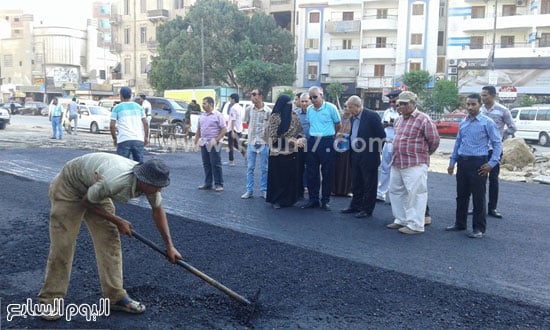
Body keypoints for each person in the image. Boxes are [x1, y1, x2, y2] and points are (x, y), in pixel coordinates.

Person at [37, 153, 182, 320]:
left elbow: (157, 212)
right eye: (157, 186)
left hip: (95, 189)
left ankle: (115, 296)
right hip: (70, 186)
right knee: (63, 245)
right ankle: (50, 299)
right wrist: (118, 220)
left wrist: (169, 246)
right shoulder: (115, 181)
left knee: (110, 240)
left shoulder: (151, 183)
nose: (160, 190)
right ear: (144, 181)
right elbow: (86, 203)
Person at [446, 93, 503, 238]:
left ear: (479, 105)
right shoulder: (463, 122)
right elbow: (458, 143)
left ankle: (478, 228)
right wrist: (452, 162)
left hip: (479, 163)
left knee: (478, 197)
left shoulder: (487, 122)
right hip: (463, 162)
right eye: (468, 104)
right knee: (461, 195)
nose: (470, 107)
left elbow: (497, 144)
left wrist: (492, 163)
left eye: (473, 104)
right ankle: (460, 223)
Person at [386, 91, 440, 234]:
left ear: (413, 104)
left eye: (404, 104)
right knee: (396, 191)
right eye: (399, 104)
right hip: (397, 161)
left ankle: (416, 225)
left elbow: (434, 141)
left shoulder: (423, 119)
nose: (401, 107)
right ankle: (401, 220)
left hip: (415, 163)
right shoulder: (399, 120)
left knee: (416, 194)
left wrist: (422, 155)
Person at [340, 96, 385, 218]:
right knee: (356, 181)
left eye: (350, 107)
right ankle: (355, 205)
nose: (348, 110)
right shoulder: (353, 118)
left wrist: (373, 151)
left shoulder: (371, 116)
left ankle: (367, 209)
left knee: (369, 183)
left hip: (368, 155)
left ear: (357, 106)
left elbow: (382, 136)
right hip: (355, 154)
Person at [478, 85, 516, 219]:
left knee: (493, 179)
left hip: (494, 150)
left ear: (493, 96)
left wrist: (500, 136)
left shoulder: (503, 110)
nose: (482, 98)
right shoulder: (479, 110)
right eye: (481, 95)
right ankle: (478, 206)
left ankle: (492, 208)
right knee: (479, 179)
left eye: (485, 95)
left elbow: (512, 127)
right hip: (480, 150)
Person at [301, 86, 341, 211]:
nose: (313, 100)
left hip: (327, 140)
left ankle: (325, 200)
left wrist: (331, 136)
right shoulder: (309, 110)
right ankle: (313, 199)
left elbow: (338, 124)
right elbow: (310, 124)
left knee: (327, 172)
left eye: (315, 97)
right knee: (312, 172)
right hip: (312, 141)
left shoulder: (331, 108)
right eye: (311, 97)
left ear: (321, 95)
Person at [265, 94, 305, 208]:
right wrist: (291, 142)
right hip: (277, 153)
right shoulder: (275, 117)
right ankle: (276, 200)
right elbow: (273, 138)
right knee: (278, 177)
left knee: (290, 176)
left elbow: (300, 131)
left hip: (292, 153)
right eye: (287, 104)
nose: (289, 106)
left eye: (290, 103)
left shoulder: (294, 116)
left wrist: (300, 139)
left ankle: (289, 199)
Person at [241, 88, 271, 199]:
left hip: (264, 142)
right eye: (251, 95)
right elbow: (246, 123)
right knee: (250, 168)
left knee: (265, 168)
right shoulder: (249, 109)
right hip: (251, 142)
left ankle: (264, 190)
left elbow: (271, 127)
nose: (252, 97)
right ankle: (249, 190)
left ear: (260, 96)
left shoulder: (268, 111)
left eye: (254, 94)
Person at [194, 96, 226, 192]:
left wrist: (216, 140)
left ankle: (219, 184)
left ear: (211, 104)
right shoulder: (202, 116)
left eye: (205, 103)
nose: (203, 105)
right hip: (204, 143)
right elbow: (198, 130)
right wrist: (196, 143)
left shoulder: (218, 115)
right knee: (206, 164)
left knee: (215, 163)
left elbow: (224, 129)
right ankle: (208, 183)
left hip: (214, 143)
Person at [110, 87, 149, 164]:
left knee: (122, 166)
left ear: (120, 95)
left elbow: (112, 126)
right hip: (138, 139)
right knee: (139, 166)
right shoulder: (139, 107)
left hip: (124, 139)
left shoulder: (117, 108)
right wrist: (146, 137)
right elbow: (146, 123)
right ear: (131, 95)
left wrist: (115, 138)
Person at [376, 90, 401, 202]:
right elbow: (382, 125)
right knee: (385, 168)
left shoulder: (402, 113)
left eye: (394, 101)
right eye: (390, 101)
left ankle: (394, 197)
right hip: (388, 142)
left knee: (397, 170)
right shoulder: (387, 112)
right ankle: (381, 193)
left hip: (399, 144)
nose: (392, 103)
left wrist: (391, 124)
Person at [332, 103, 353, 197]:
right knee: (336, 167)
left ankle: (347, 190)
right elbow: (333, 129)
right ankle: (334, 189)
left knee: (347, 169)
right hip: (336, 146)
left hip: (348, 147)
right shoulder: (338, 118)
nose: (346, 108)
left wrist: (344, 135)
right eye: (345, 106)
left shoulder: (354, 119)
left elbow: (355, 133)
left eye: (348, 106)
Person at [295, 93, 311, 199]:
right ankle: (299, 191)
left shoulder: (315, 112)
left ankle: (311, 190)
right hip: (299, 146)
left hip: (313, 145)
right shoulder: (295, 114)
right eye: (302, 101)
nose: (304, 103)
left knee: (311, 169)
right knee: (299, 168)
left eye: (306, 101)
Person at [226, 93, 246, 166]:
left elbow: (233, 120)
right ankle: (245, 155)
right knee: (236, 145)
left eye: (230, 99)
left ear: (233, 99)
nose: (230, 101)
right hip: (238, 129)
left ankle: (231, 161)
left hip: (233, 129)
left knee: (231, 145)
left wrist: (232, 131)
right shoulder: (240, 108)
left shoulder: (233, 108)